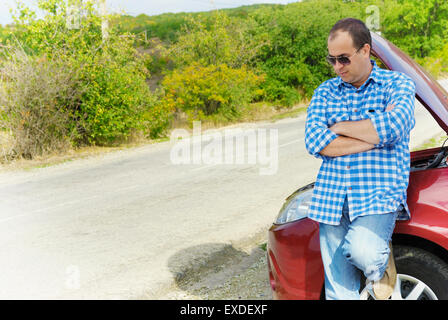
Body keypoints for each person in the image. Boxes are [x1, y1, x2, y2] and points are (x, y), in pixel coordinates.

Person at [304, 18, 416, 300]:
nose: (337, 67)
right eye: (332, 60)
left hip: (378, 193)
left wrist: (338, 127)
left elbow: (394, 127)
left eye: (344, 58)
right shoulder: (325, 91)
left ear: (365, 50)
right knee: (339, 291)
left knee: (363, 252)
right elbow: (315, 141)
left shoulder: (396, 83)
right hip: (332, 196)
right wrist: (372, 132)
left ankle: (380, 264)